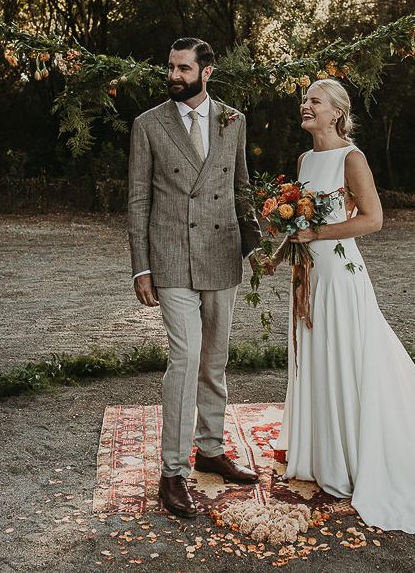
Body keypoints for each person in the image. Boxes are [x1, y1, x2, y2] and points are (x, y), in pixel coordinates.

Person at [128, 37, 264, 519]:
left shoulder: (233, 120)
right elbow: (138, 200)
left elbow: (241, 186)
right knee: (184, 358)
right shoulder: (148, 125)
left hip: (222, 254)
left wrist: (256, 248)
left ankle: (209, 449)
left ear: (207, 72)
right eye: (170, 67)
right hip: (170, 259)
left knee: (214, 360)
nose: (173, 76)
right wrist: (141, 266)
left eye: (183, 69)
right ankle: (172, 472)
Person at [273, 78, 415, 533]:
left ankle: (347, 458)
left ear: (336, 112)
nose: (305, 105)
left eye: (315, 100)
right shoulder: (305, 159)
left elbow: (372, 219)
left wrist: (318, 235)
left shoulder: (352, 158)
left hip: (340, 274)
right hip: (306, 273)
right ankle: (316, 453)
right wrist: (280, 251)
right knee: (313, 354)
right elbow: (301, 221)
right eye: (305, 99)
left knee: (343, 357)